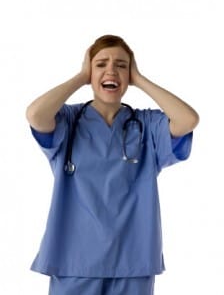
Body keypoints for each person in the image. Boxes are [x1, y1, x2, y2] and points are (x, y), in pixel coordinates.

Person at [26, 35, 199, 295]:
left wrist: (139, 80)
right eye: (101, 64)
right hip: (75, 260)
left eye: (121, 65)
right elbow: (35, 115)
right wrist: (80, 76)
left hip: (132, 261)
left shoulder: (147, 125)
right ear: (89, 72)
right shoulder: (68, 121)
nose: (111, 70)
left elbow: (188, 120)